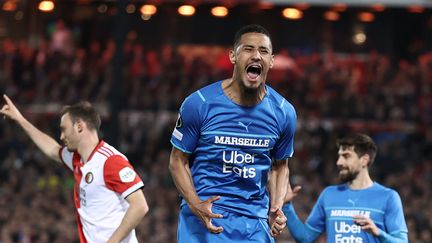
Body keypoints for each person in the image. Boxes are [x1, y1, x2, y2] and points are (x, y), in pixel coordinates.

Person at [169, 24, 296, 242]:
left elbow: (280, 166)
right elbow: (177, 161)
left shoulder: (284, 112)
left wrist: (276, 206)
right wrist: (195, 204)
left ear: (272, 61)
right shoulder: (199, 104)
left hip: (254, 224)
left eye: (263, 51)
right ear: (233, 56)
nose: (256, 56)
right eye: (248, 49)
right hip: (205, 220)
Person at [0, 95, 149, 243]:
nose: (61, 136)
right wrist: (20, 119)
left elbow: (140, 206)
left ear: (79, 126)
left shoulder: (110, 161)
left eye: (64, 129)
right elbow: (52, 149)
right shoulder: (77, 159)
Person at [283, 133, 408, 242]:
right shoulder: (329, 194)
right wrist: (287, 206)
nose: (339, 162)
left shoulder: (388, 197)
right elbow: (305, 237)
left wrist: (378, 233)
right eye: (339, 156)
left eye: (346, 156)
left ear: (364, 160)